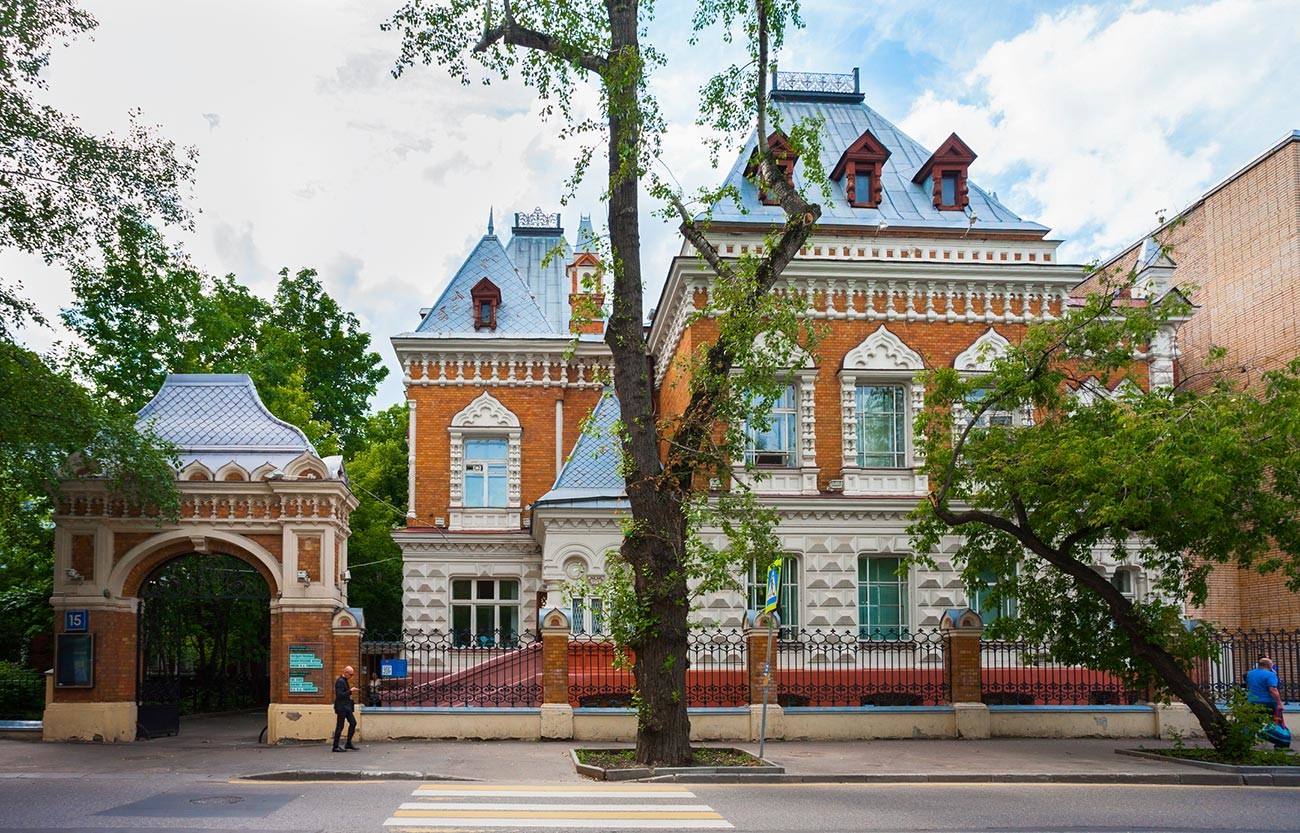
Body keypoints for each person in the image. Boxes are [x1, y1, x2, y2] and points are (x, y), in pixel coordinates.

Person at [332, 665, 360, 753]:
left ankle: (348, 743)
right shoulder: (340, 681)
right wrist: (350, 691)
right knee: (340, 726)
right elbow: (340, 695)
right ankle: (335, 746)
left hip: (346, 707)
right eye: (351, 674)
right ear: (346, 672)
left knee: (353, 723)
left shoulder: (344, 680)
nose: (351, 676)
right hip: (341, 707)